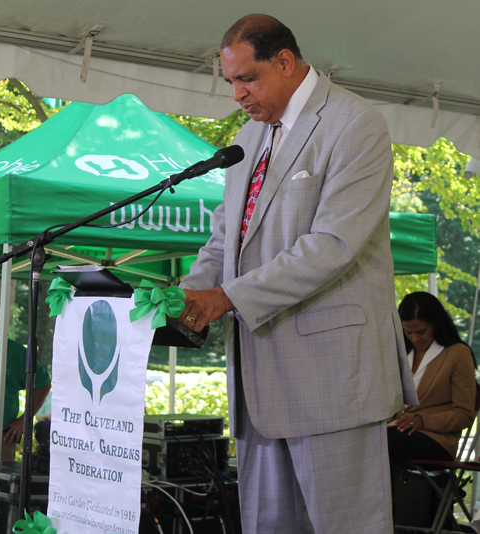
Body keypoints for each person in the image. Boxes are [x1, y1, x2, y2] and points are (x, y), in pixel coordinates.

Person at [177, 14, 416, 534]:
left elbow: (332, 246)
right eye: (231, 82)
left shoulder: (355, 123)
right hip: (258, 385)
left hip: (333, 382)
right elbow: (225, 238)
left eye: (248, 78)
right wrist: (188, 294)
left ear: (285, 61)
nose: (238, 93)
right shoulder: (248, 136)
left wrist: (227, 297)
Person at [388, 291, 476, 464]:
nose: (415, 338)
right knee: (364, 442)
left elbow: (464, 414)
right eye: (408, 332)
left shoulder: (458, 353)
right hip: (396, 432)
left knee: (383, 445)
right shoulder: (400, 353)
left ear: (436, 322)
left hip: (437, 440)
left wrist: (422, 421)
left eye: (421, 331)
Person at [0, 296, 51, 461]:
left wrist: (24, 420)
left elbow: (43, 384)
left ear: (0, 318)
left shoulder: (16, 352)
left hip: (0, 440)